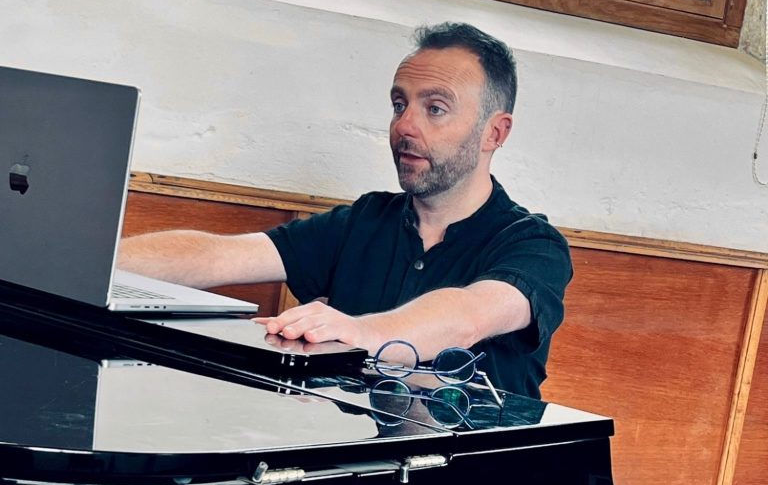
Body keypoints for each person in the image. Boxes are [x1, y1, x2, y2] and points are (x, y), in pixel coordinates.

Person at [119, 22, 573, 398]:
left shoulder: (534, 245)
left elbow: (470, 315)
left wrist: (359, 333)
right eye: (399, 105)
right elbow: (217, 255)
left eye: (435, 108)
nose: (405, 126)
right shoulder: (365, 220)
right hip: (350, 474)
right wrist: (92, 263)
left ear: (495, 133)